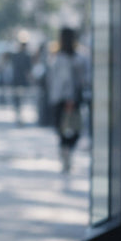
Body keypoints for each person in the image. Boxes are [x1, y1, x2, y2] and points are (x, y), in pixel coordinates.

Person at [47, 27, 89, 173]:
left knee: (67, 128)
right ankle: (66, 154)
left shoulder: (68, 57)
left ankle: (66, 154)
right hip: (65, 98)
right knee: (67, 128)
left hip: (64, 98)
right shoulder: (65, 57)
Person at [9, 40, 33, 124]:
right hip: (22, 81)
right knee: (20, 99)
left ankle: (19, 116)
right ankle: (19, 116)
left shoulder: (16, 55)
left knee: (18, 100)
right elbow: (28, 70)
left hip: (17, 80)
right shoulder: (26, 56)